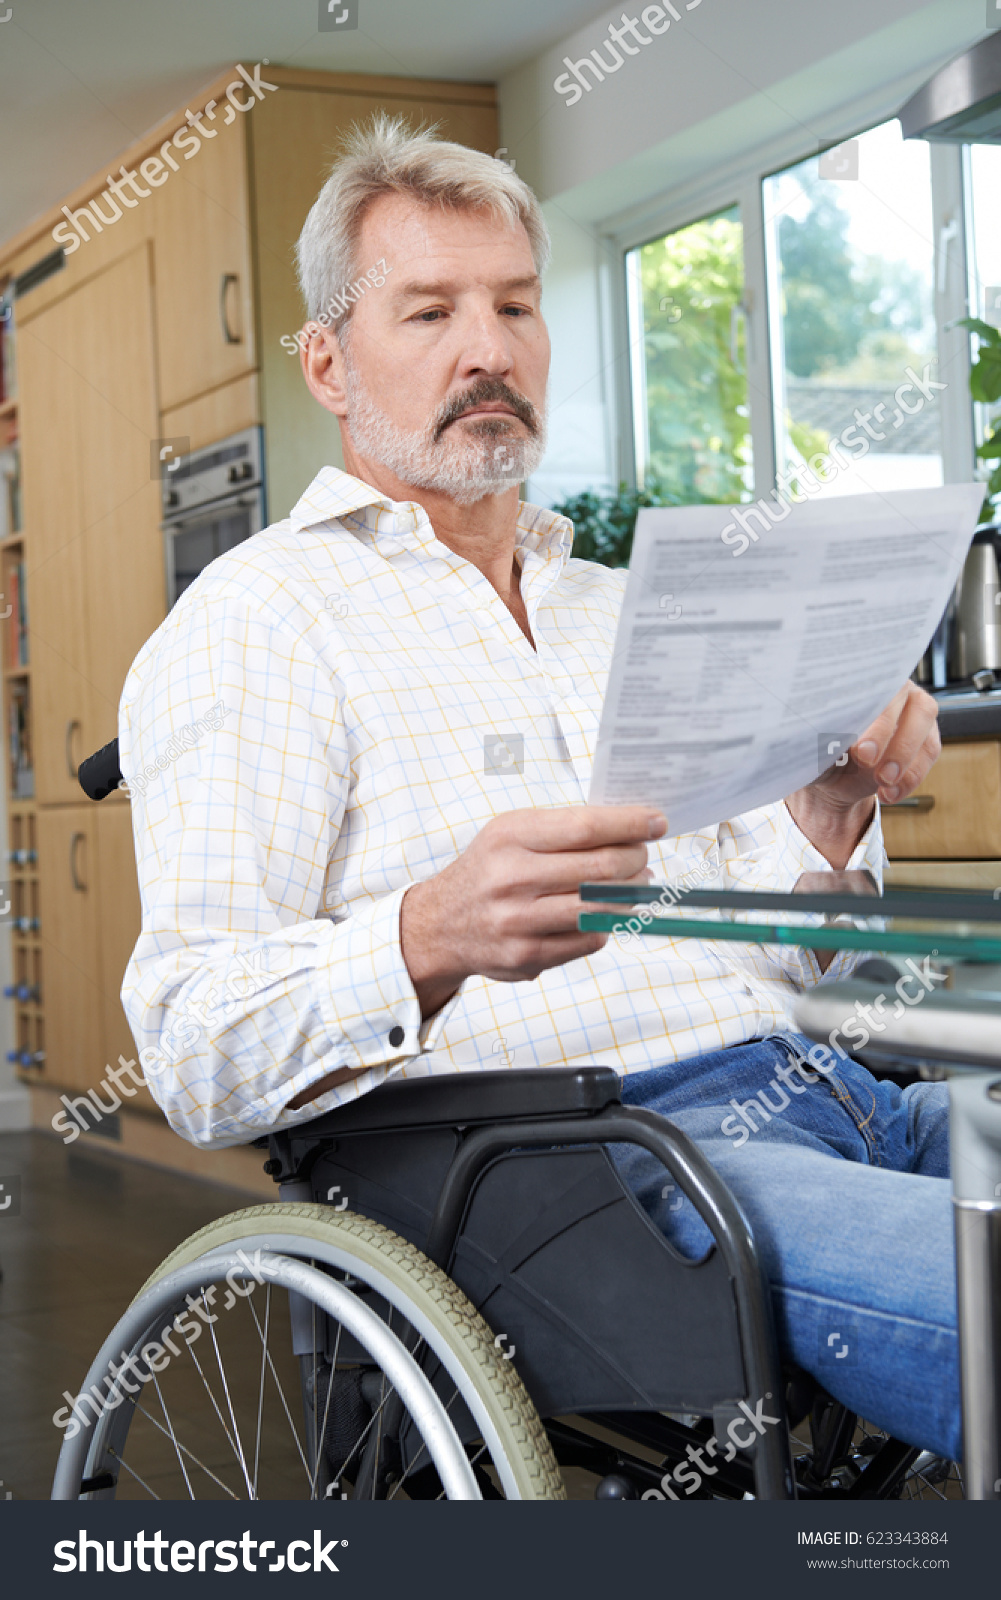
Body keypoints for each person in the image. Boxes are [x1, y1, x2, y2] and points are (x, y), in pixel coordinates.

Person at [120, 116, 955, 1460]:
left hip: (843, 1099)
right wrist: (422, 938)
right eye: (430, 309)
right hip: (593, 1170)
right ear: (327, 361)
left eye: (514, 304)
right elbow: (193, 1050)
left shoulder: (632, 610)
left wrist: (826, 830)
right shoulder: (258, 621)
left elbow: (803, 967)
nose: (488, 348)